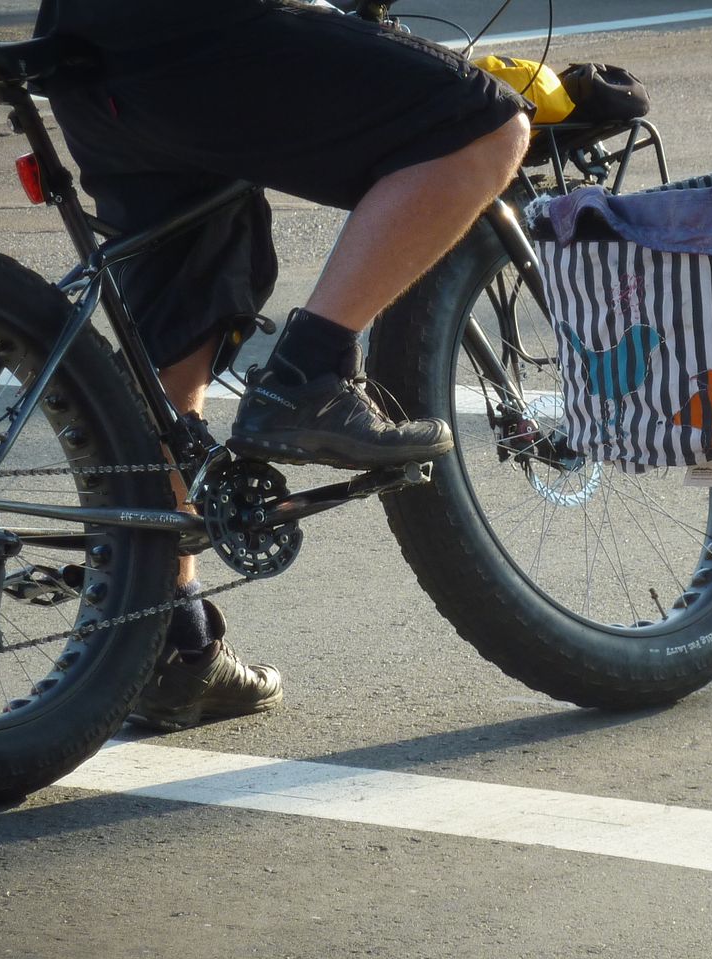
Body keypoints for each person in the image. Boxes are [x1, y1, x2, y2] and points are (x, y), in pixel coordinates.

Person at [31, 0, 531, 729]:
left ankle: (175, 644)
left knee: (176, 340)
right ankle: (311, 375)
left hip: (88, 49)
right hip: (191, 34)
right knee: (483, 127)